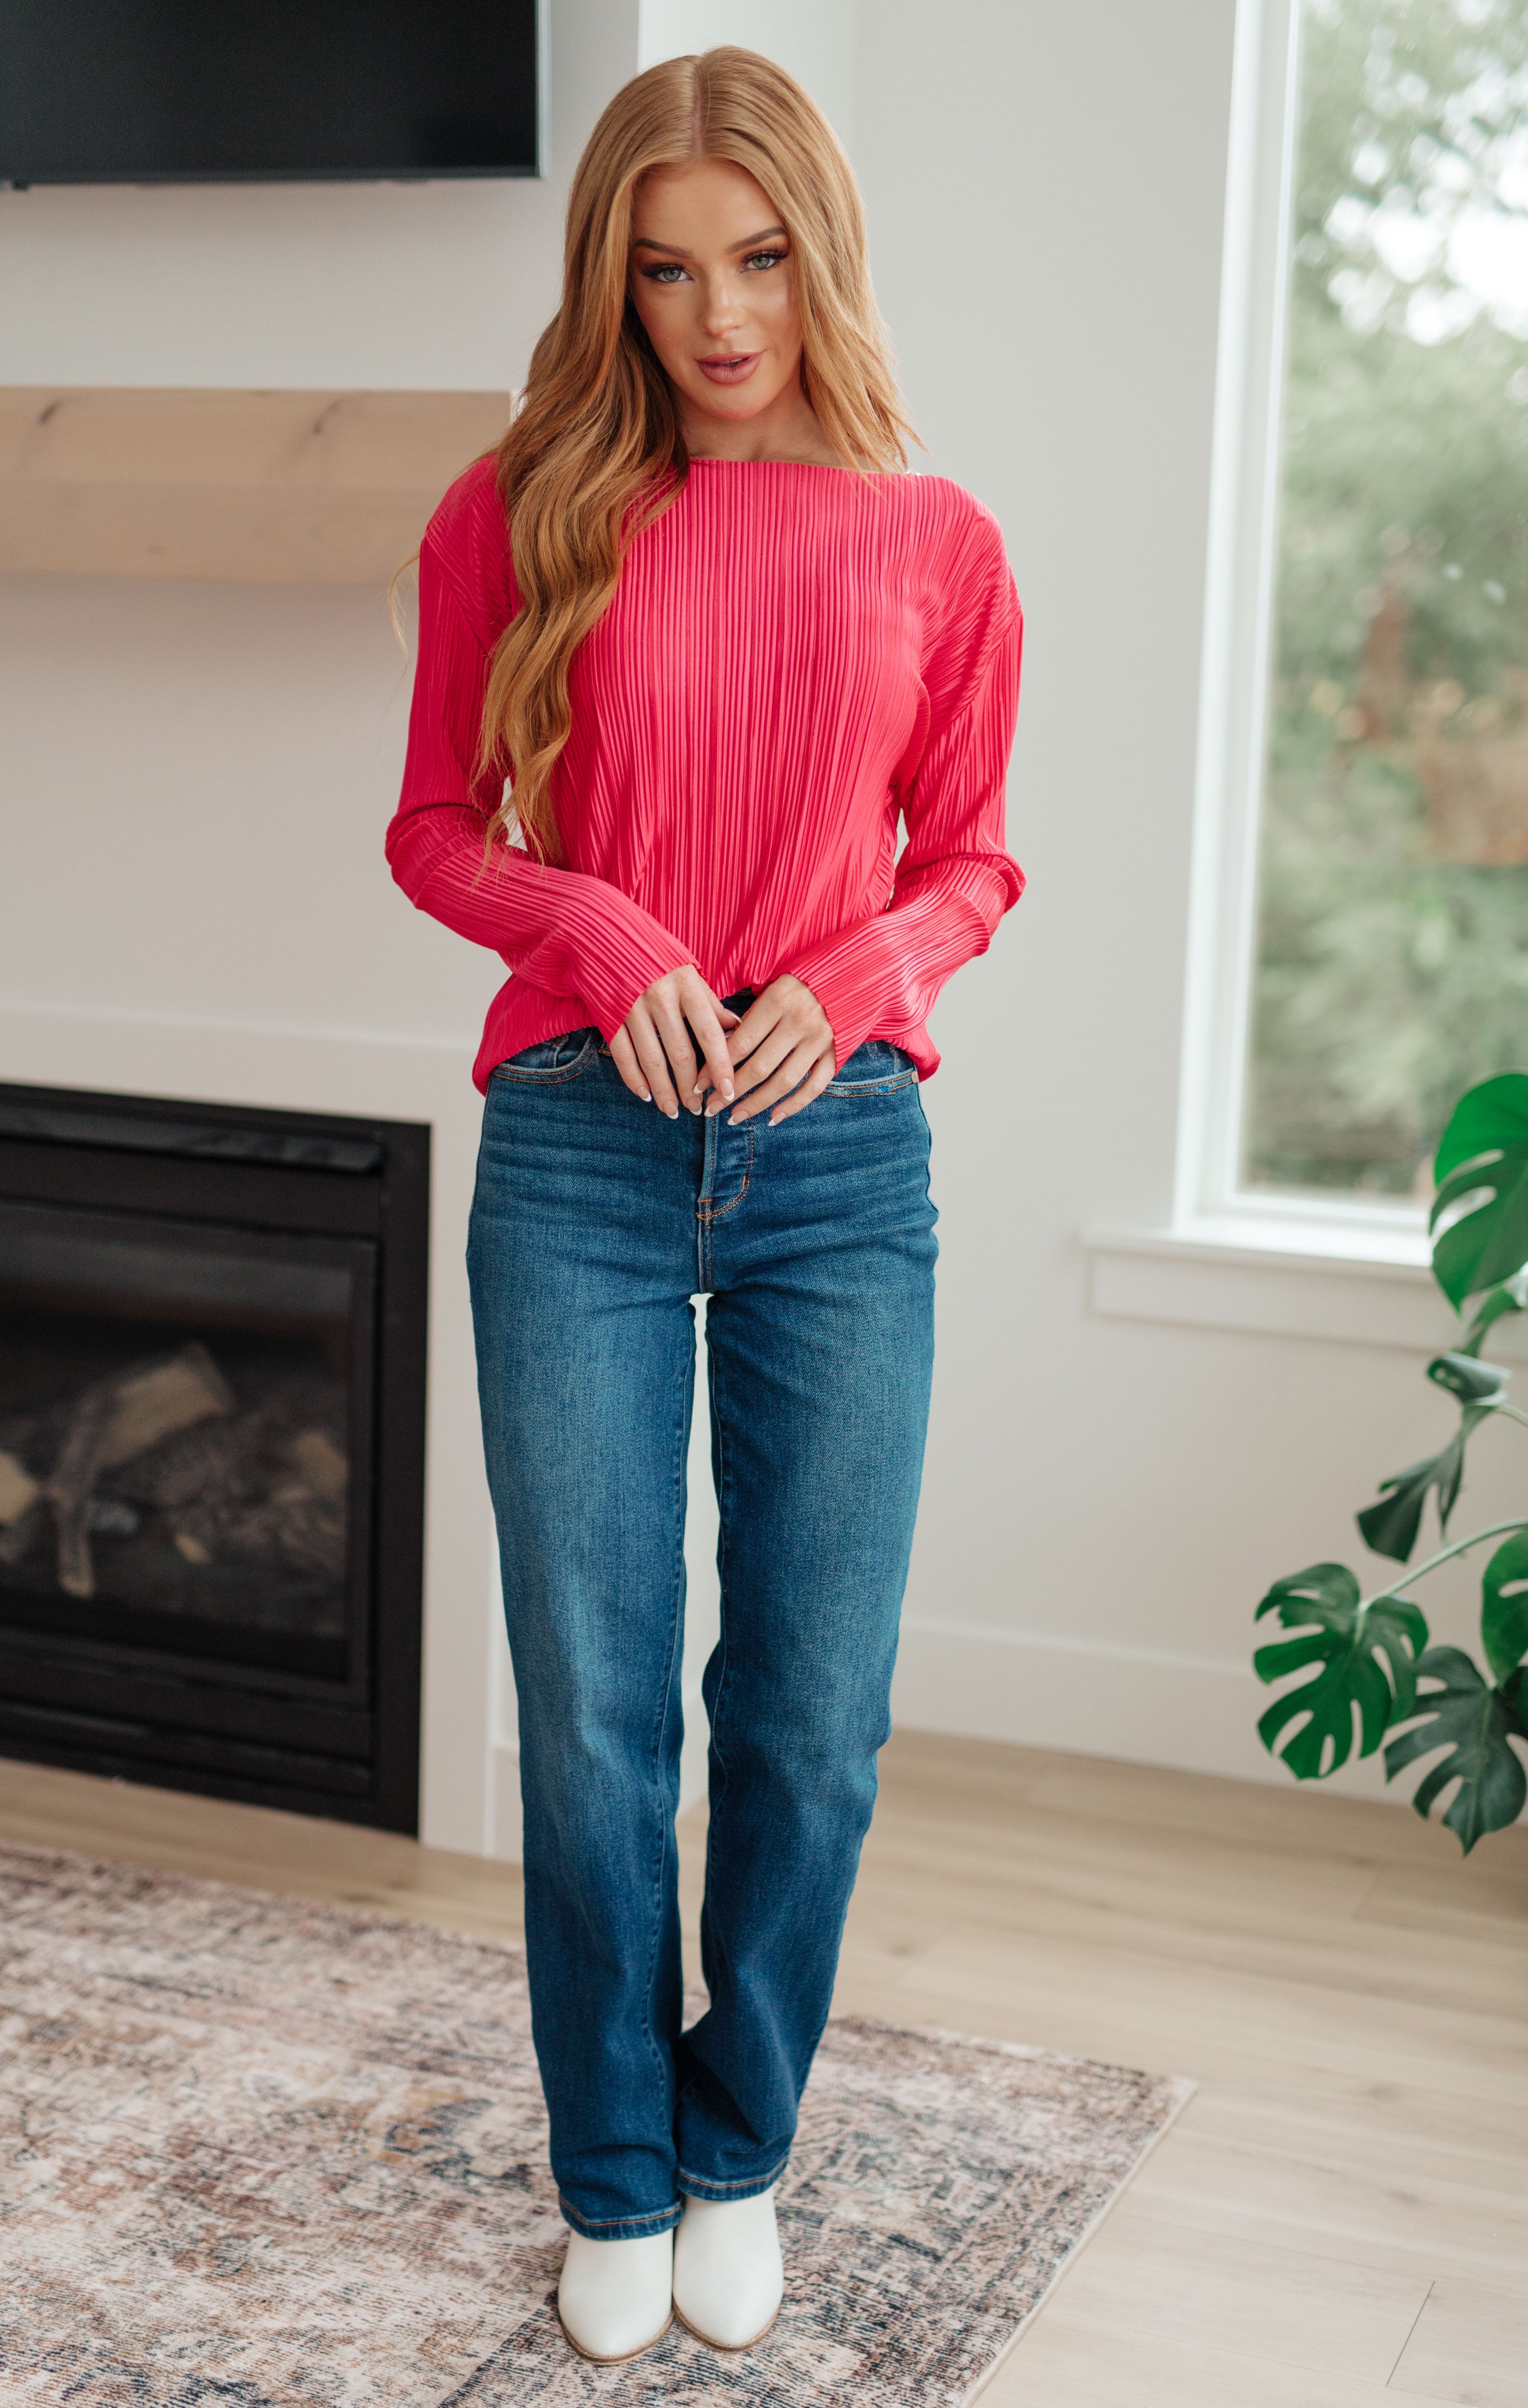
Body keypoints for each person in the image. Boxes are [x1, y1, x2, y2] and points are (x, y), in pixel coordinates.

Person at [386, 45, 1023, 2366]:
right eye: (666, 272)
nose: (717, 315)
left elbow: (972, 858)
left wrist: (856, 974)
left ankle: (738, 2140)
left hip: (842, 1168)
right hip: (580, 1153)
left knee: (814, 1712)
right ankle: (617, 2175)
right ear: (614, 280)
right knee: (591, 1717)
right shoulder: (519, 504)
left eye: (755, 260)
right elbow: (439, 824)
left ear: (818, 251)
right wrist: (604, 938)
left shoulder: (938, 544)